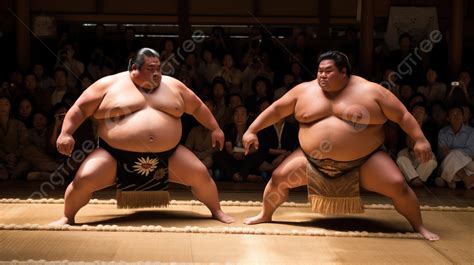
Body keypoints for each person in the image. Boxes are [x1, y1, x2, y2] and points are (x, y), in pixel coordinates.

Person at [242, 51, 439, 241]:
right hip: (312, 159)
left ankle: (418, 225)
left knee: (397, 184)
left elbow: (402, 115)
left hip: (364, 160)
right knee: (278, 179)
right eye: (320, 71)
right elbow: (277, 110)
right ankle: (265, 214)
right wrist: (252, 130)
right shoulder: (304, 90)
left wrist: (420, 139)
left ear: (344, 72)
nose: (322, 75)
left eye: (328, 71)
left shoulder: (371, 91)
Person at [50, 48, 234, 225]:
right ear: (133, 68)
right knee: (85, 179)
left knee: (200, 175)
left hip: (168, 154)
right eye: (150, 69)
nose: (156, 74)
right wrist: (66, 133)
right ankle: (68, 216)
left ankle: (217, 210)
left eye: (158, 68)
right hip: (114, 155)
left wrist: (215, 128)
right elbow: (80, 109)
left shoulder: (173, 86)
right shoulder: (108, 85)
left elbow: (197, 107)